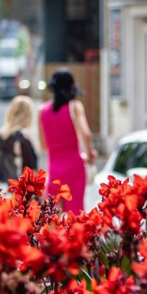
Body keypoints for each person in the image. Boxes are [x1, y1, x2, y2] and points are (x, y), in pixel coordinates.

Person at [40, 69, 95, 213]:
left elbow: (42, 145)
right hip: (74, 168)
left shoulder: (43, 110)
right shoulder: (74, 106)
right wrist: (89, 153)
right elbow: (86, 134)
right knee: (75, 215)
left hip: (54, 168)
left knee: (52, 216)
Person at [0, 96, 39, 184]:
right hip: (19, 191)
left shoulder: (1, 137)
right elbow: (32, 171)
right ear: (29, 115)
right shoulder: (23, 139)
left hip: (1, 189)